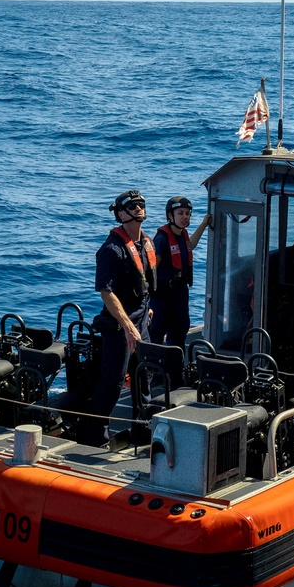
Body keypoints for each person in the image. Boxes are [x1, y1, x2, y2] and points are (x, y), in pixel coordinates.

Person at [85, 189, 157, 443]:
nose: (138, 208)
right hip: (119, 327)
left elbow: (143, 282)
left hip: (141, 321)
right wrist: (126, 325)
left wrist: (146, 306)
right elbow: (107, 293)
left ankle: (143, 430)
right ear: (119, 214)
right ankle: (96, 437)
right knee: (113, 382)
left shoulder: (145, 243)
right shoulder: (112, 250)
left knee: (144, 376)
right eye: (132, 206)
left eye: (140, 204)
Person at [150, 195, 210, 351]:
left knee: (179, 334)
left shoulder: (183, 236)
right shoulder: (162, 240)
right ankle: (151, 372)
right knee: (156, 335)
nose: (185, 217)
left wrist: (204, 224)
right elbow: (150, 269)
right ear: (170, 215)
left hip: (180, 295)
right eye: (180, 213)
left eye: (187, 213)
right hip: (162, 298)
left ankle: (174, 371)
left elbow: (191, 245)